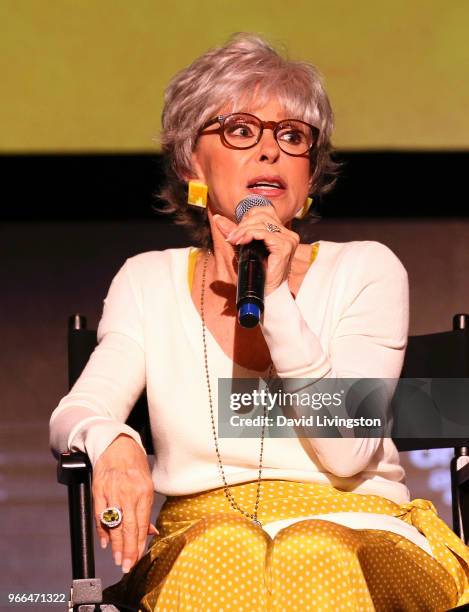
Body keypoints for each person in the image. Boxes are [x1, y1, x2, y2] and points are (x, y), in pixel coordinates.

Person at [49, 33, 469, 611]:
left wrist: (275, 300)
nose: (270, 152)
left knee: (311, 549)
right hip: (204, 538)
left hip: (362, 537)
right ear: (193, 160)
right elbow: (79, 410)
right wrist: (115, 444)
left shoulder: (367, 269)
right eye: (241, 130)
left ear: (310, 172)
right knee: (226, 547)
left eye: (292, 136)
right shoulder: (147, 280)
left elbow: (347, 453)